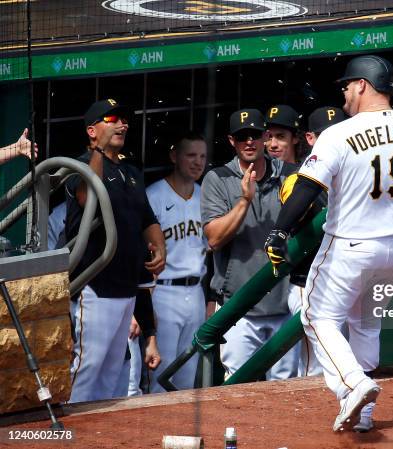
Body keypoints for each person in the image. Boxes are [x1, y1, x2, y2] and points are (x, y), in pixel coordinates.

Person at [264, 55, 393, 432]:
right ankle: (364, 417)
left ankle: (354, 384)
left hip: (350, 245)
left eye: (346, 85)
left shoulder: (339, 133)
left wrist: (280, 232)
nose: (343, 92)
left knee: (316, 315)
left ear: (362, 85)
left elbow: (308, 186)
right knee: (367, 326)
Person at [65, 98, 166, 403]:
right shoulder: (81, 164)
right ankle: (67, 431)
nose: (122, 124)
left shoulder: (131, 171)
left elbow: (147, 218)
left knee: (112, 372)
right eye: (112, 119)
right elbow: (87, 196)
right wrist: (97, 151)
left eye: (123, 119)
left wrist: (160, 246)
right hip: (94, 283)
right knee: (87, 368)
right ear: (91, 130)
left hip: (127, 286)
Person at [201, 108, 298, 380]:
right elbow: (214, 238)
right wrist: (244, 200)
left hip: (284, 301)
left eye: (255, 135)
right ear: (232, 141)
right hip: (238, 304)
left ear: (265, 137)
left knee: (286, 386)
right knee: (238, 384)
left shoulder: (290, 175)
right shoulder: (218, 178)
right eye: (242, 137)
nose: (249, 142)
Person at [281, 106, 346, 378]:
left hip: (345, 279)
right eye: (323, 135)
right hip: (307, 281)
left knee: (349, 357)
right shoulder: (298, 178)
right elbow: (295, 208)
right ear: (309, 138)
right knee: (315, 367)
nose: (332, 139)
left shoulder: (352, 173)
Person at [146, 131, 208, 392]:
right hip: (163, 292)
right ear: (174, 156)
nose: (197, 162)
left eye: (202, 157)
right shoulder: (154, 195)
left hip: (196, 292)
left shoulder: (205, 195)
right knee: (160, 373)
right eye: (191, 155)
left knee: (187, 377)